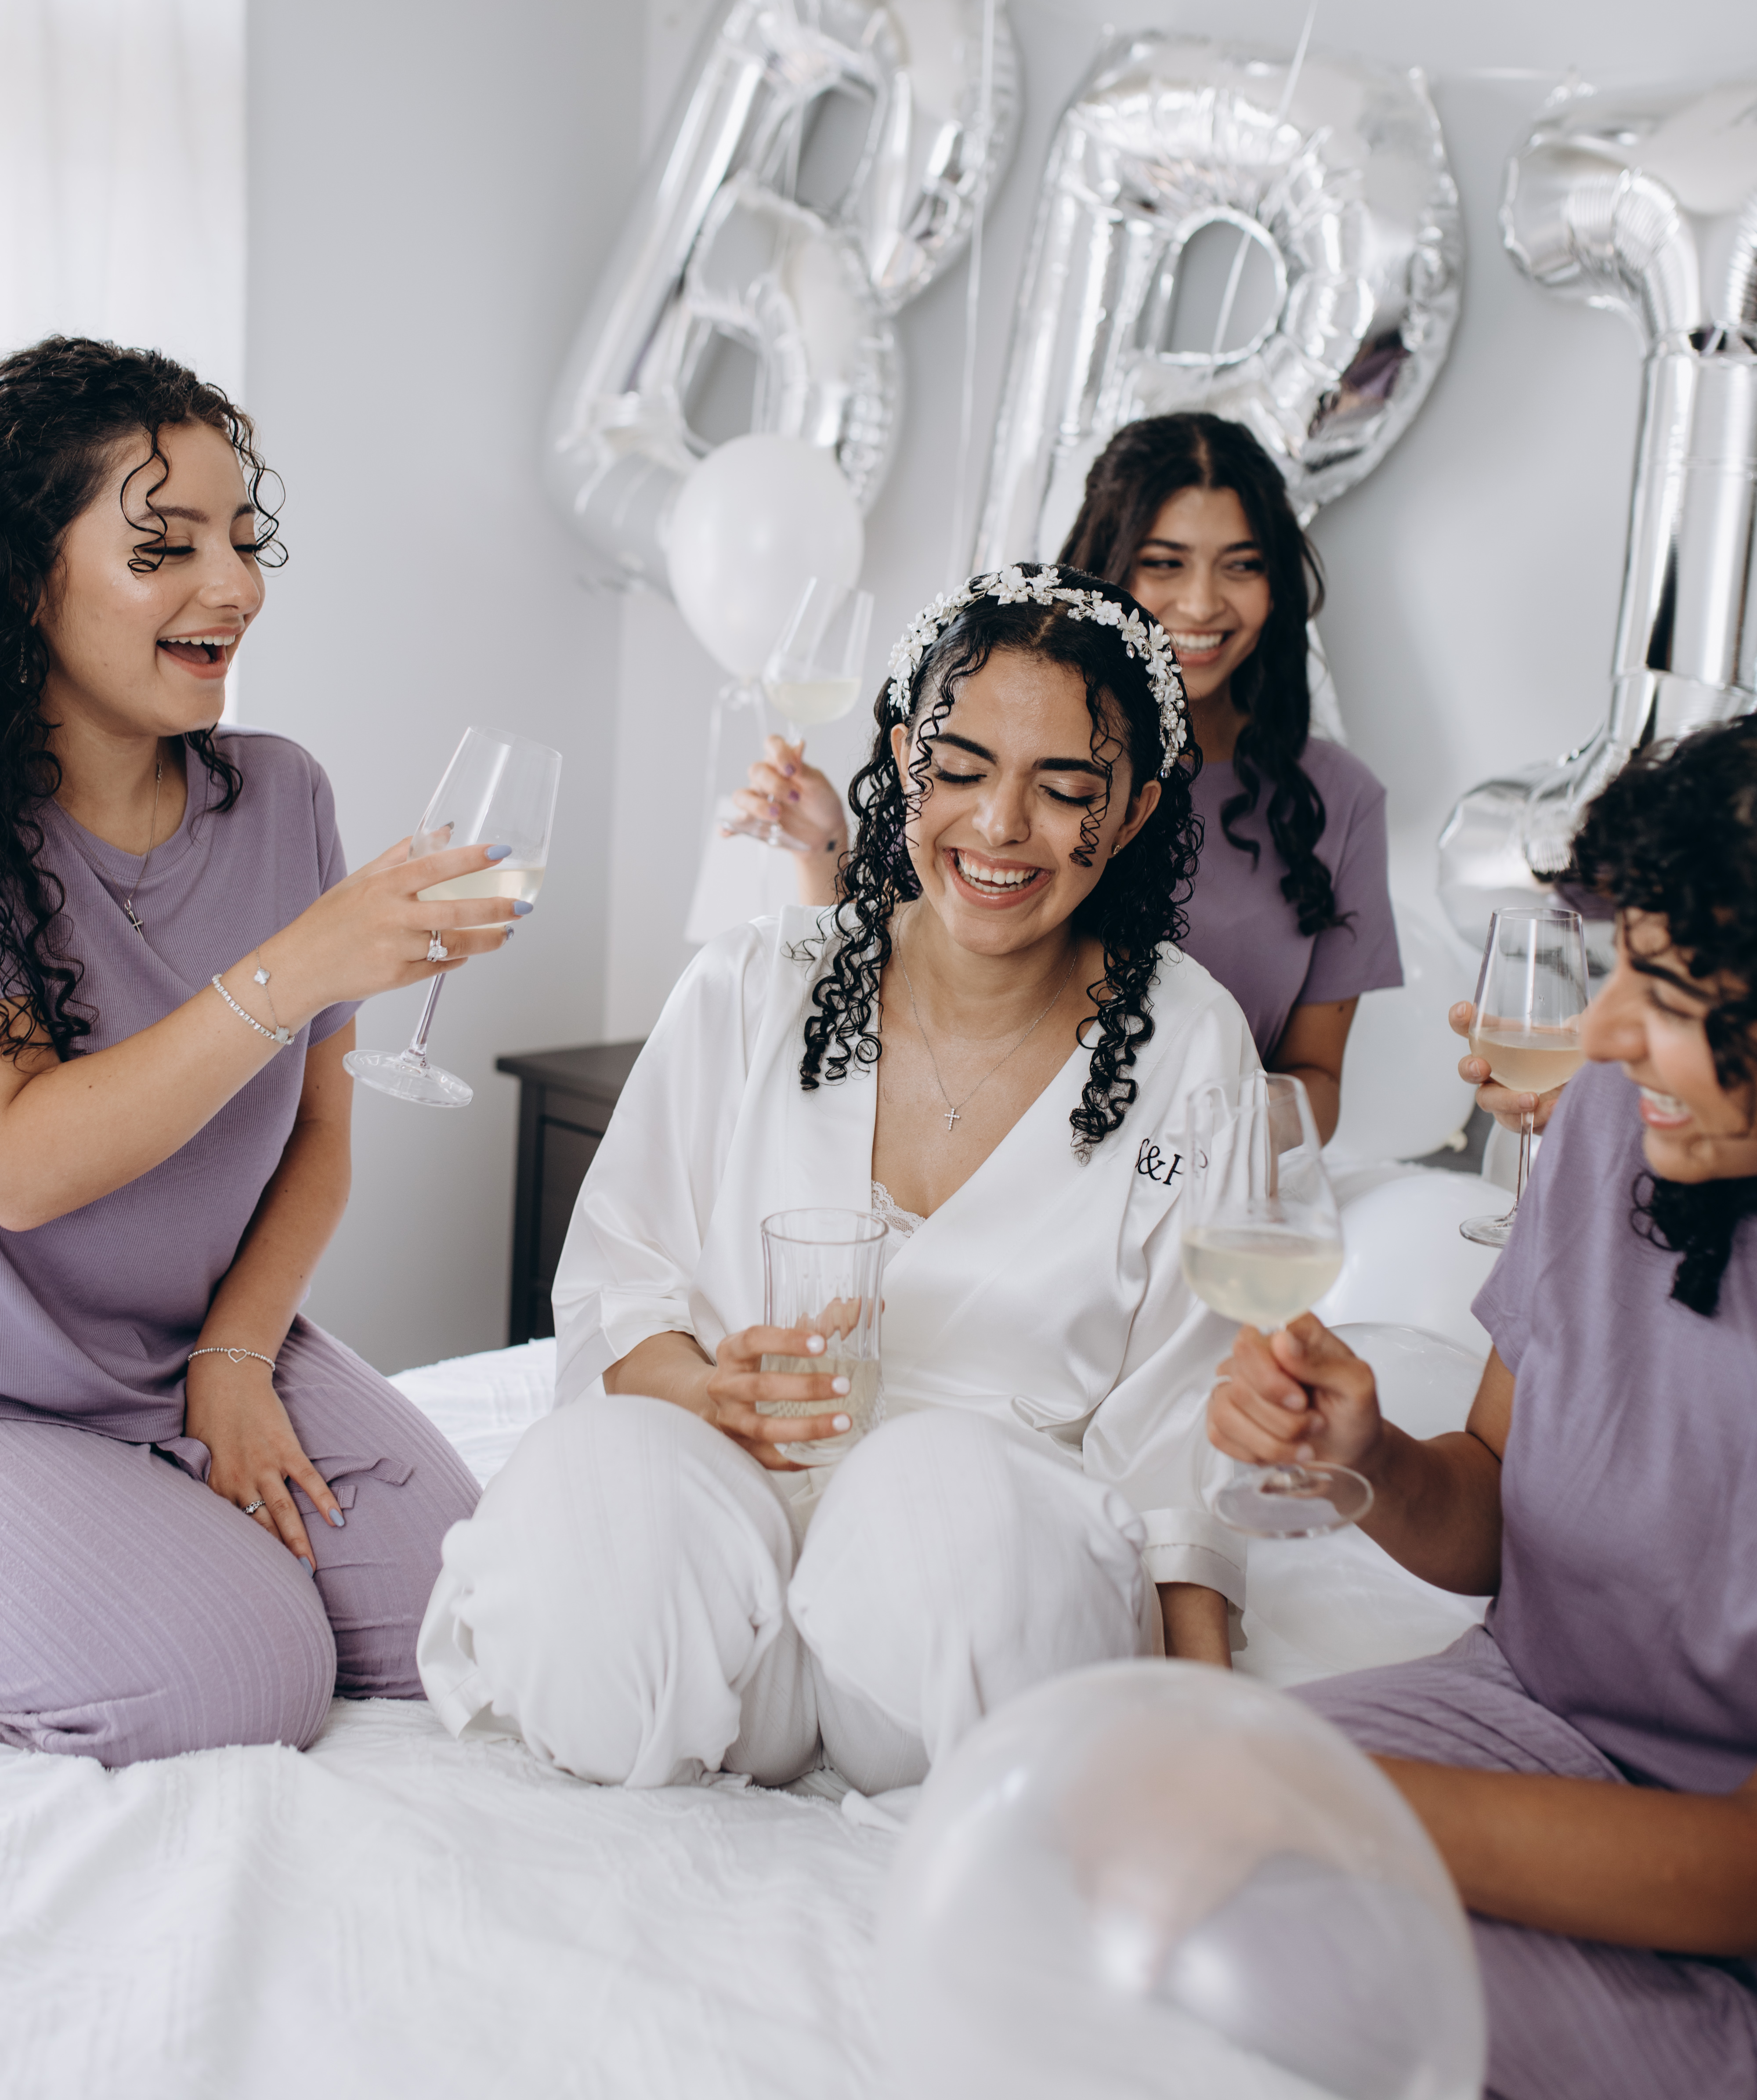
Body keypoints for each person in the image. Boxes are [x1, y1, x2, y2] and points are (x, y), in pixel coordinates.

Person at [419, 566, 1254, 1797]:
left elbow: (1188, 1425)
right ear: (904, 757)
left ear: (1129, 814)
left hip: (962, 1616)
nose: (998, 825)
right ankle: (663, 1727)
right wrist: (707, 1391)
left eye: (1064, 789)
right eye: (958, 768)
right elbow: (618, 1287)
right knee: (589, 1485)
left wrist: (1215, 1740)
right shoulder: (753, 983)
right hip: (723, 1546)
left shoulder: (1190, 1047)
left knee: (938, 1489)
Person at [1208, 715, 1757, 2100]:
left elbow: (1740, 1873)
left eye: (1670, 992)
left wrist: (1342, 1806)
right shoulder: (1609, 1130)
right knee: (1162, 1829)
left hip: (1723, 1868)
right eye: (1618, 968)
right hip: (1527, 1721)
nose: (1603, 1034)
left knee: (1284, 1921)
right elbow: (1498, 1512)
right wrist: (1370, 1457)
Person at [0, 337, 517, 1770]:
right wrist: (300, 968)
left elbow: (320, 1137)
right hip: (12, 1386)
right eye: (164, 548)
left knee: (464, 1616)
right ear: (28, 582)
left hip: (194, 1343)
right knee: (246, 1677)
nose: (233, 587)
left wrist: (237, 1354)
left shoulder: (282, 796)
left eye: (242, 537)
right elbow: (22, 1166)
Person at [741, 417, 1399, 1142]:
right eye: (1165, 562)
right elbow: (889, 975)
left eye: (1241, 565)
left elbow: (1316, 1084)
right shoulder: (988, 770)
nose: (1202, 602)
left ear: (1138, 814)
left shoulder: (1341, 800)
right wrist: (825, 847)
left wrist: (1175, 1118)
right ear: (1108, 562)